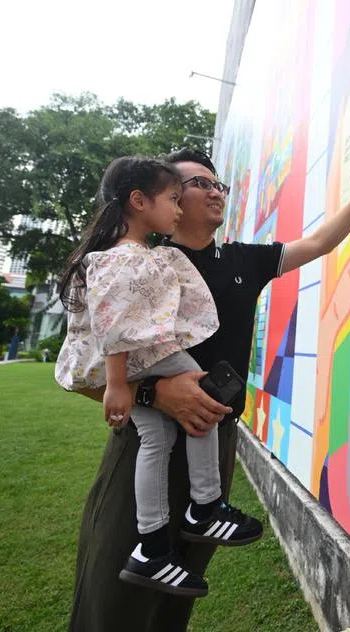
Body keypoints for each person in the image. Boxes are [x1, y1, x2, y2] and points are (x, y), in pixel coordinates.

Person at [67, 145, 350, 631]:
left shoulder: (242, 260)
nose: (213, 191)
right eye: (196, 183)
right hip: (148, 447)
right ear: (167, 199)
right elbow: (84, 366)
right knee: (114, 599)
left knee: (174, 601)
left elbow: (319, 244)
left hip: (215, 443)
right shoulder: (140, 264)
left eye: (217, 183)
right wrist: (154, 395)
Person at [55, 155, 263, 599]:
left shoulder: (125, 255)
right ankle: (205, 507)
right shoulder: (125, 258)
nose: (177, 209)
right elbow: (116, 323)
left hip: (127, 368)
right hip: (132, 362)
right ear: (138, 201)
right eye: (173, 198)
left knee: (156, 438)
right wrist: (116, 383)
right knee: (200, 391)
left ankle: (151, 548)